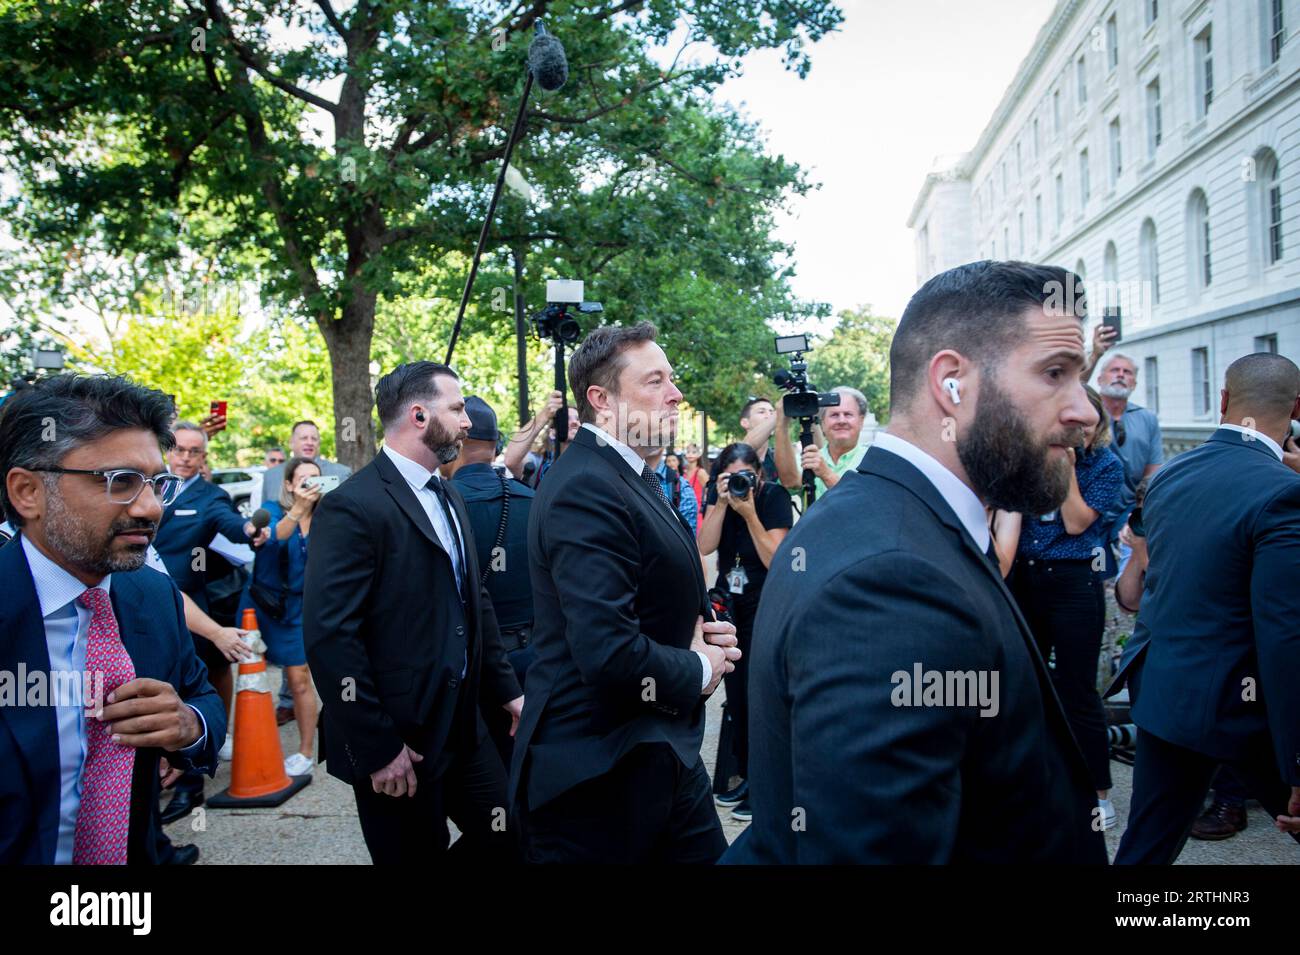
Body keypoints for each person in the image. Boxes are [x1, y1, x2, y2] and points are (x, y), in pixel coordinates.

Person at [723, 260, 1106, 864]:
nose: (1085, 410)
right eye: (1055, 373)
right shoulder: (891, 581)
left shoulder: (893, 517)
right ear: (951, 382)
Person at [510, 322, 740, 864]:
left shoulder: (629, 474)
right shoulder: (587, 485)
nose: (676, 393)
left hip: (653, 755)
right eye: (655, 381)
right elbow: (607, 651)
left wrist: (707, 636)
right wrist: (701, 669)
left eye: (672, 379)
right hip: (598, 777)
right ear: (601, 400)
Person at [303, 362, 523, 864]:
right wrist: (378, 746)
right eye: (458, 408)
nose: (468, 423)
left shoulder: (448, 494)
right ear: (420, 415)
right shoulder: (352, 506)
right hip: (398, 739)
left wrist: (507, 691)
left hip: (465, 729)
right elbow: (331, 636)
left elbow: (475, 601)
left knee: (511, 836)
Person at [0, 375, 225, 864]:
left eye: (157, 484)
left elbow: (202, 696)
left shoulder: (153, 593)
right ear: (28, 492)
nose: (150, 507)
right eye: (118, 481)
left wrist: (189, 725)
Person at [1110, 353, 1300, 864]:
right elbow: (1286, 635)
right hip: (1245, 707)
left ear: (1222, 401)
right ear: (1297, 409)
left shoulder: (1172, 474)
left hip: (1167, 689)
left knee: (1146, 845)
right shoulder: (1285, 493)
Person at [1005, 385, 1124, 829]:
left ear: (1098, 425)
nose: (1078, 424)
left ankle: (1098, 794)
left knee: (1077, 690)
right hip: (1026, 578)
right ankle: (1037, 782)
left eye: (1088, 419)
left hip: (1074, 582)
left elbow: (1076, 523)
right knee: (1026, 684)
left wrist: (1068, 468)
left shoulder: (1106, 466)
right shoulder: (1032, 458)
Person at [151, 420, 267, 824]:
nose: (184, 458)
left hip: (189, 611)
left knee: (186, 692)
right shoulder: (142, 485)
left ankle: (190, 787)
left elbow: (235, 527)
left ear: (203, 456)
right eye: (178, 450)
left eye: (193, 452)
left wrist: (253, 528)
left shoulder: (209, 496)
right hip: (135, 605)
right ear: (168, 450)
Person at [696, 442, 793, 822]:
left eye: (745, 477)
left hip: (765, 602)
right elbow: (704, 546)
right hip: (729, 603)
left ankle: (765, 786)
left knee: (760, 695)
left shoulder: (773, 497)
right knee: (736, 696)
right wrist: (721, 503)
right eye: (731, 477)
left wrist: (750, 512)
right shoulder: (721, 497)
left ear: (759, 474)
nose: (739, 483)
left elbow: (776, 558)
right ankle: (750, 775)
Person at [449, 396, 537, 768]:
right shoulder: (533, 500)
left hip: (471, 667)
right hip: (533, 659)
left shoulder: (442, 506)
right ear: (496, 446)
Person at [238, 456, 322, 777]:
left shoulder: (327, 516)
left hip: (301, 609)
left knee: (299, 678)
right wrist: (299, 509)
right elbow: (275, 534)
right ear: (288, 484)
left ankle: (305, 751)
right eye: (303, 479)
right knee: (250, 674)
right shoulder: (273, 510)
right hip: (264, 605)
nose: (310, 485)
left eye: (316, 479)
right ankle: (245, 742)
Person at [1093, 352, 1163, 572]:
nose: (1120, 375)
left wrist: (1141, 510)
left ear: (1134, 382)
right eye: (1115, 370)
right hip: (1092, 507)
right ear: (1100, 379)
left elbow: (1153, 472)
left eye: (1127, 372)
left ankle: (1128, 599)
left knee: (1133, 560)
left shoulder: (1147, 419)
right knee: (1097, 571)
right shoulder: (1087, 412)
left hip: (1129, 507)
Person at [774, 386, 871, 499]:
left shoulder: (873, 460)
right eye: (834, 415)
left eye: (848, 414)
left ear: (861, 421)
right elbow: (791, 484)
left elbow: (867, 502)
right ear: (822, 422)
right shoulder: (809, 457)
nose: (841, 421)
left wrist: (826, 474)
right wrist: (781, 423)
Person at [254, 420, 352, 510]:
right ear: (291, 443)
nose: (309, 442)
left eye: (314, 439)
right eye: (304, 438)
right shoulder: (271, 475)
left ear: (319, 444)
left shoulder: (341, 473)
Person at [646, 445, 698, 534]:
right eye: (669, 461)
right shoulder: (620, 476)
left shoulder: (681, 486)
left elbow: (686, 538)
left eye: (674, 460)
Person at [681, 443, 706, 511]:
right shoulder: (684, 473)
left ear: (698, 455)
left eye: (694, 452)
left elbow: (709, 491)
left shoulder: (700, 472)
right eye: (688, 452)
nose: (690, 454)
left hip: (698, 512)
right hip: (685, 510)